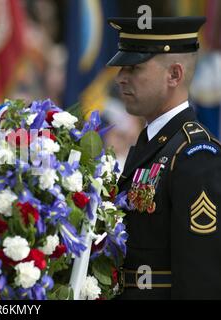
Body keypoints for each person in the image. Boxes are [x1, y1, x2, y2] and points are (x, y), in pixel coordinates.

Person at [107, 16, 221, 299]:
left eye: (134, 68)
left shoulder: (195, 154)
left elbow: (200, 278)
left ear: (174, 75)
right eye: (123, 67)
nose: (121, 76)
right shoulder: (155, 143)